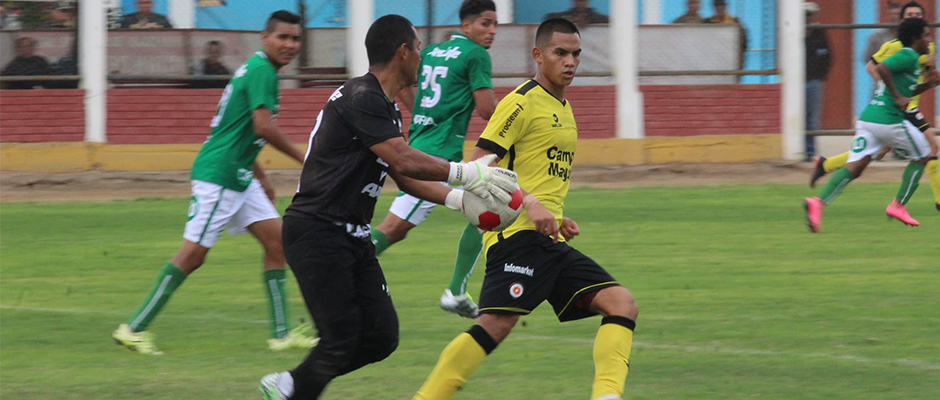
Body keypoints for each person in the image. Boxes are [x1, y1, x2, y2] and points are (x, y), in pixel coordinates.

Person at [257, 14, 518, 400]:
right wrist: (469, 173)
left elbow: (402, 175)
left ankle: (291, 385)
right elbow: (404, 158)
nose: (422, 58)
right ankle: (292, 391)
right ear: (402, 52)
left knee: (381, 337)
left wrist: (456, 198)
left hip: (352, 235)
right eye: (417, 48)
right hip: (318, 231)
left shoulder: (384, 104)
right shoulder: (362, 97)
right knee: (340, 340)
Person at [411, 18, 638, 400]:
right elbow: (480, 166)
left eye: (576, 54)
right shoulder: (519, 102)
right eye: (560, 53)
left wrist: (555, 216)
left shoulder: (563, 109)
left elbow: (540, 175)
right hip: (514, 238)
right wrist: (529, 203)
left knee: (621, 303)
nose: (570, 61)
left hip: (546, 240)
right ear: (538, 55)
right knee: (495, 325)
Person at [112, 11, 315, 355]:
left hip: (237, 173)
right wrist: (306, 160)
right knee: (192, 255)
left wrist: (261, 176)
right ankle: (133, 328)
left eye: (295, 39)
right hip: (219, 175)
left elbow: (239, 130)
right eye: (283, 37)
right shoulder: (263, 71)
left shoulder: (256, 68)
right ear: (265, 38)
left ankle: (281, 335)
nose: (289, 45)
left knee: (278, 244)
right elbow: (263, 127)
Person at [370, 0, 499, 318]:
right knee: (393, 227)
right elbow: (487, 110)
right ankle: (341, 271)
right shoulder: (475, 55)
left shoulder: (429, 53)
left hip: (424, 144)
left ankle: (456, 291)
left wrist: (422, 117)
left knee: (485, 210)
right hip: (436, 155)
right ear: (466, 26)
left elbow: (400, 87)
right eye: (485, 23)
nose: (492, 31)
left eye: (495, 24)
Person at [805, 17, 939, 232]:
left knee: (856, 167)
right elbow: (883, 69)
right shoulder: (908, 55)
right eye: (925, 35)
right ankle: (898, 205)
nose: (929, 38)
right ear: (915, 38)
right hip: (888, 119)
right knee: (926, 152)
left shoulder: (912, 59)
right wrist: (896, 97)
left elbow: (906, 92)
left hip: (870, 119)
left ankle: (817, 203)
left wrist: (928, 85)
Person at [804, 2, 830, 159]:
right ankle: (800, 149)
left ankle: (810, 151)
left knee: (812, 118)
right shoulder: (796, 33)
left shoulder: (819, 34)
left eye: (809, 15)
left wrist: (821, 75)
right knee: (800, 117)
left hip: (813, 80)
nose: (807, 18)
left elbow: (828, 56)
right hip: (798, 82)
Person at [544, 0, 609, 26]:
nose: (580, 4)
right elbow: (548, 18)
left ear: (588, 2)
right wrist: (569, 20)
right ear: (573, 2)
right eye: (578, 1)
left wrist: (588, 20)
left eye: (583, 1)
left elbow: (608, 20)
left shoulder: (594, 15)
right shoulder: (568, 14)